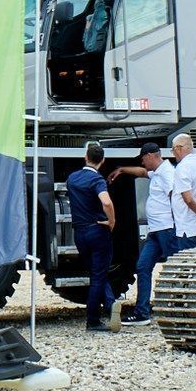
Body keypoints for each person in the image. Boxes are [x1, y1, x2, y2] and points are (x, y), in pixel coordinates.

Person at [64, 142, 121, 332]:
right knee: (98, 275)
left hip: (79, 233)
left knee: (96, 273)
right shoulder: (97, 180)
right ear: (102, 161)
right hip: (97, 230)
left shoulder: (72, 178)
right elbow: (106, 202)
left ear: (85, 157)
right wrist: (112, 221)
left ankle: (111, 304)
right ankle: (93, 320)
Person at [126, 142, 176, 325]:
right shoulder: (158, 172)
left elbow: (175, 195)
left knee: (174, 269)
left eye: (143, 159)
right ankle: (142, 313)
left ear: (150, 156)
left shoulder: (167, 172)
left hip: (167, 228)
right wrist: (121, 170)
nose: (142, 162)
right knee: (142, 266)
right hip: (155, 231)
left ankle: (178, 308)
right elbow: (141, 173)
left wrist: (177, 221)